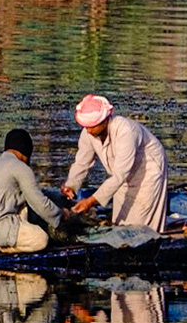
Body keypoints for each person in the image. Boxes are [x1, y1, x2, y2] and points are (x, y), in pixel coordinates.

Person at [60, 94, 168, 231]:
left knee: (141, 223)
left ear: (105, 121)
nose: (88, 130)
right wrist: (71, 185)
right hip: (121, 175)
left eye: (92, 126)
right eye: (86, 127)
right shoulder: (88, 133)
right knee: (120, 220)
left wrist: (90, 201)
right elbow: (82, 163)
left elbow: (119, 176)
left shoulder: (126, 131)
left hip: (147, 170)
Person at [0, 129, 61, 252]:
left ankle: (7, 239)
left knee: (24, 203)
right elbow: (38, 202)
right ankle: (3, 247)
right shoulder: (21, 167)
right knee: (40, 238)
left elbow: (36, 195)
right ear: (27, 154)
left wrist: (59, 198)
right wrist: (60, 215)